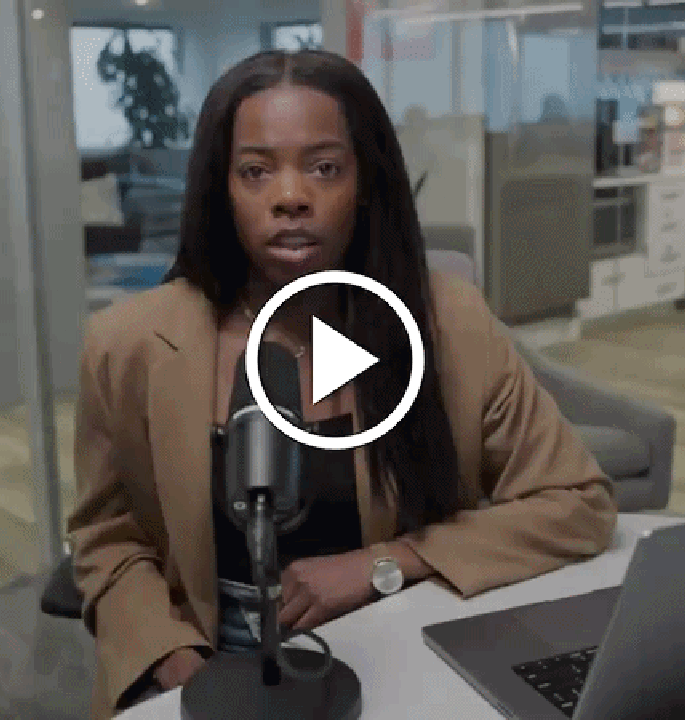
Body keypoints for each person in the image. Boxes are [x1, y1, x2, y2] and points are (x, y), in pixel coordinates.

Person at [68, 49, 617, 720]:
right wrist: (170, 660)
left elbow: (577, 501)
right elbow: (106, 537)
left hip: (395, 643)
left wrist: (390, 561)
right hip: (203, 662)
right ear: (222, 188)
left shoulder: (449, 324)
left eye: (324, 168)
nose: (291, 196)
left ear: (365, 182)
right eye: (256, 171)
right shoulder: (126, 344)